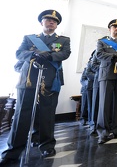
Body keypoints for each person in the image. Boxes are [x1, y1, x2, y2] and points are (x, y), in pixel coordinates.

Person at [0, 10, 71, 165]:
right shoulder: (29, 38)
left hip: (51, 79)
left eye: (54, 21)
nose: (51, 22)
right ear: (41, 23)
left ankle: (46, 145)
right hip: (28, 79)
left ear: (57, 25)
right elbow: (19, 53)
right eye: (48, 20)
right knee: (21, 114)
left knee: (47, 113)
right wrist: (35, 54)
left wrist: (50, 55)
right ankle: (13, 150)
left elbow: (65, 53)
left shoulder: (63, 40)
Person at [96, 19, 117, 144]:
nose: (116, 29)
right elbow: (99, 55)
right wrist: (114, 56)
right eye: (114, 27)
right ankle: (103, 132)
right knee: (104, 104)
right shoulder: (102, 41)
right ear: (109, 29)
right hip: (107, 74)